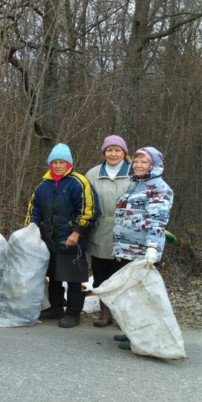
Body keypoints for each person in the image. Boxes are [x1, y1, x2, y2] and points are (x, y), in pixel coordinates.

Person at [25, 143, 99, 328]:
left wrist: (76, 232)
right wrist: (31, 230)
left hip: (71, 240)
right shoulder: (43, 186)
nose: (58, 166)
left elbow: (88, 211)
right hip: (49, 240)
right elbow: (34, 210)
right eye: (54, 162)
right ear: (50, 164)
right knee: (53, 277)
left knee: (73, 277)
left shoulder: (78, 182)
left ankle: (73, 313)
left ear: (69, 164)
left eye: (62, 162)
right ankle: (56, 308)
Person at [111, 147, 173, 350]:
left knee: (142, 295)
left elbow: (158, 221)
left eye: (144, 162)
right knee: (132, 293)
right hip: (128, 248)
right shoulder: (136, 185)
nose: (138, 165)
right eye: (136, 161)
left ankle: (144, 337)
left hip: (142, 250)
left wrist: (152, 248)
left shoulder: (158, 188)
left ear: (154, 165)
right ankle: (133, 332)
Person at [85, 135, 131, 327]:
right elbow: (86, 200)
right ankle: (105, 313)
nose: (113, 154)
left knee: (123, 275)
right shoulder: (93, 174)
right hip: (100, 229)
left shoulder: (134, 172)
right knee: (101, 273)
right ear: (104, 153)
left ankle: (123, 315)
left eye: (117, 150)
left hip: (127, 231)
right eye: (109, 150)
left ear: (124, 153)